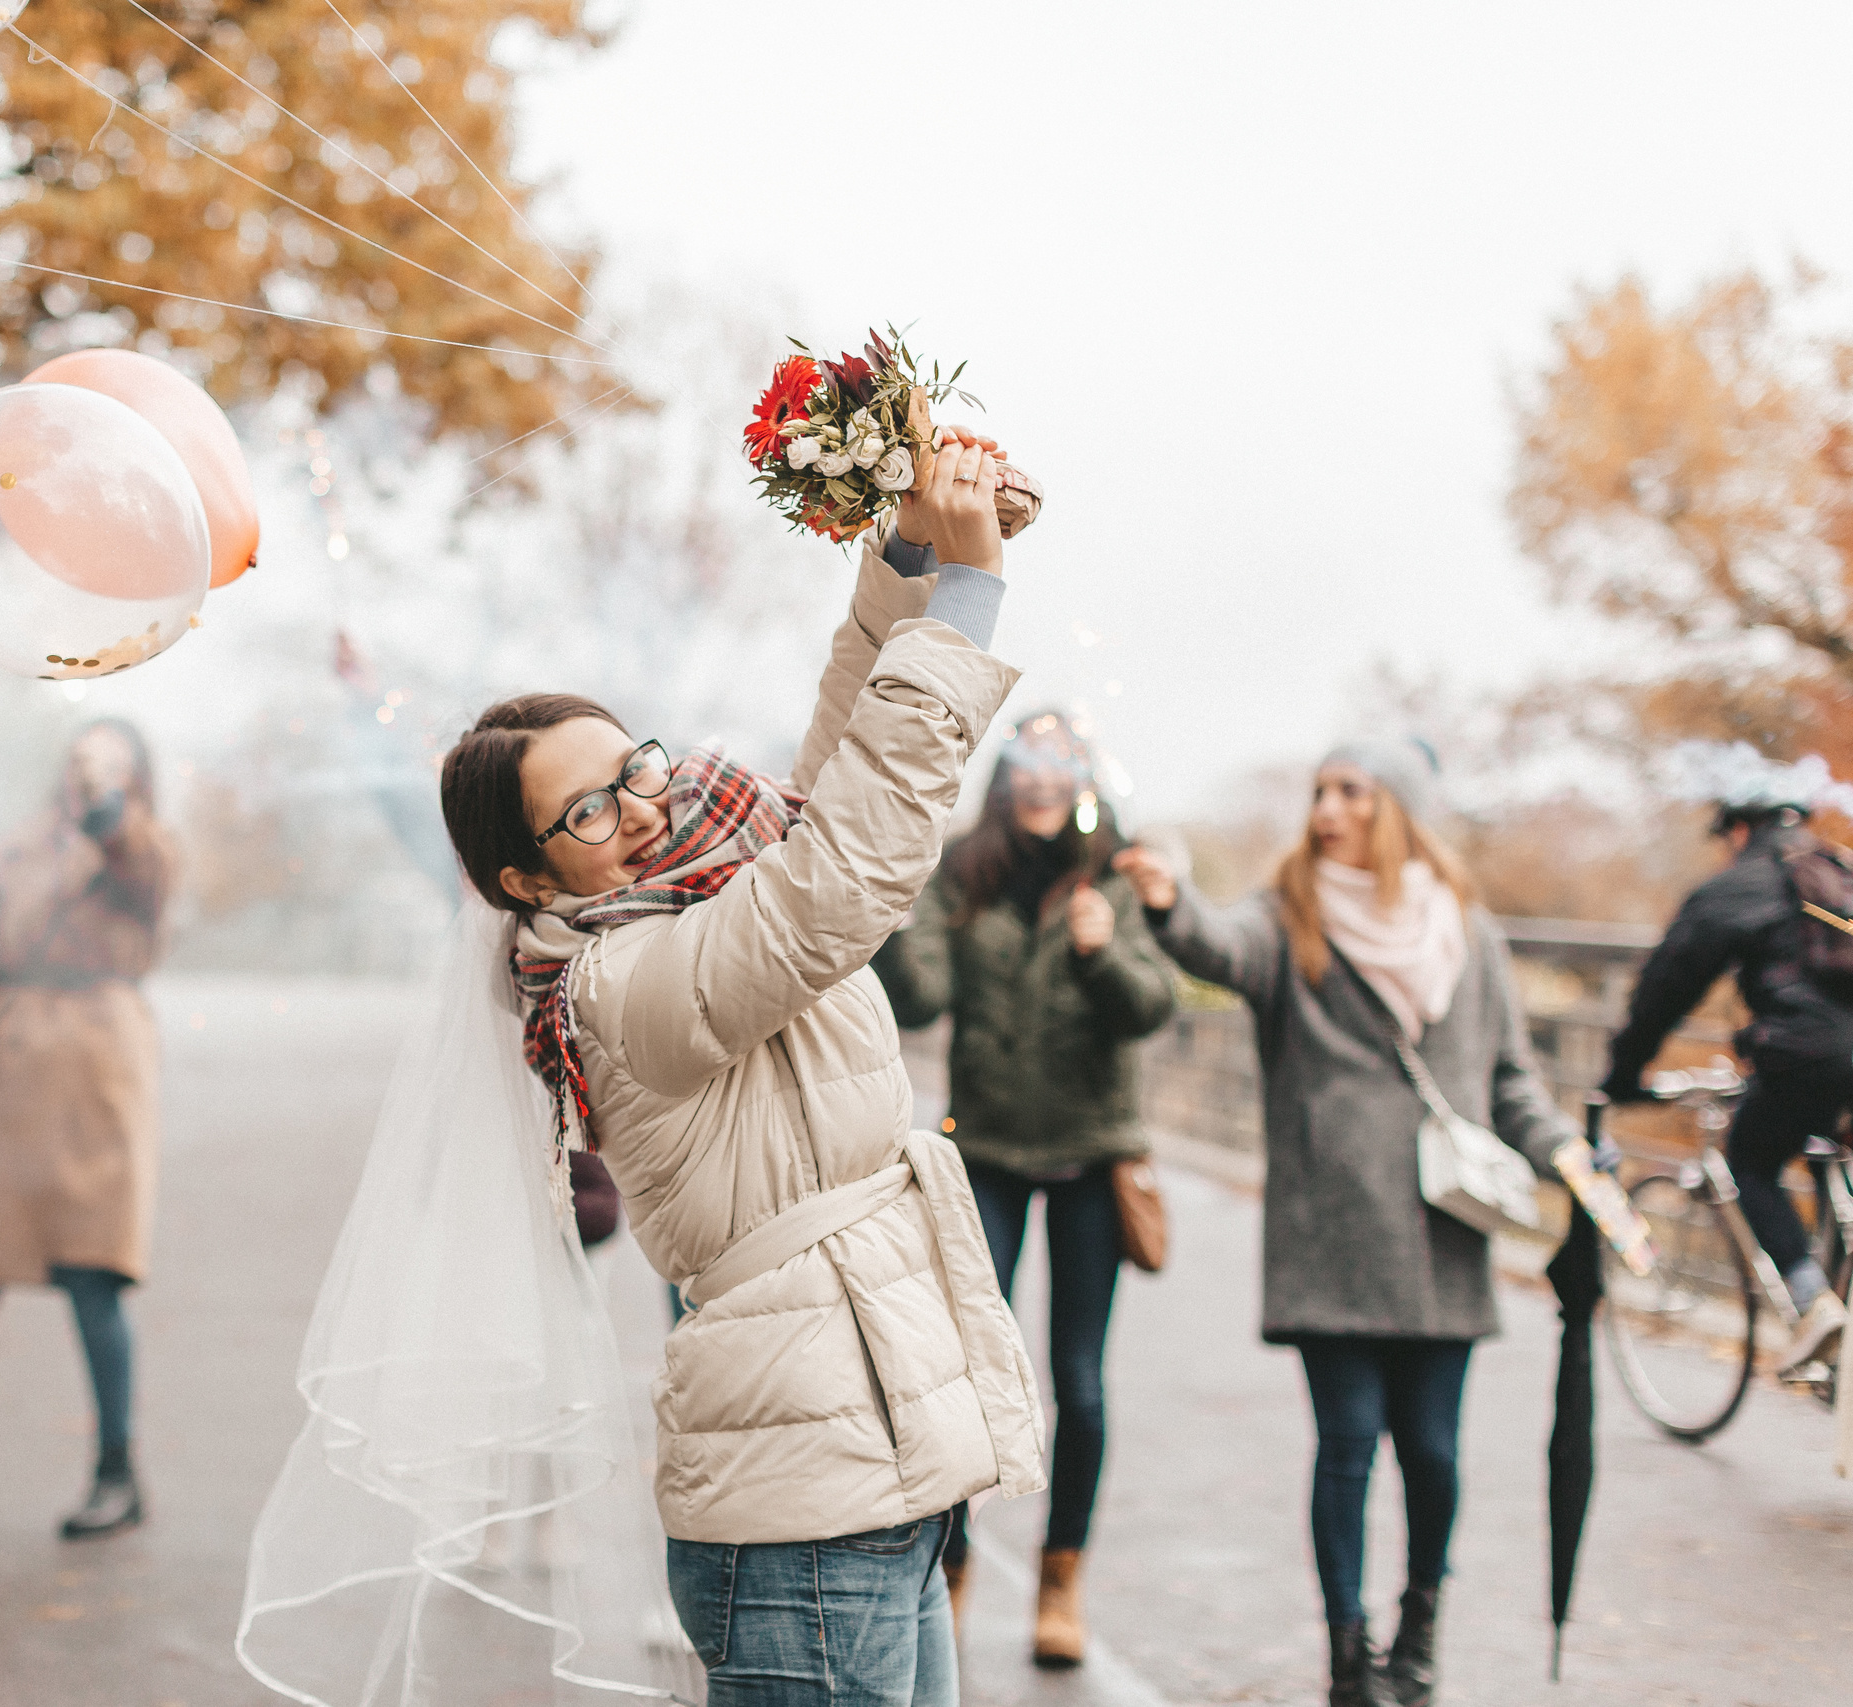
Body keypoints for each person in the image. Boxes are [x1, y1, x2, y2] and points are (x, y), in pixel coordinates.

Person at [421, 431, 1045, 1705]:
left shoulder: (684, 900)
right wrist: (969, 606)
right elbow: (846, 875)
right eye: (585, 811)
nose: (640, 808)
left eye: (627, 768)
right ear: (524, 881)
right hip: (803, 1515)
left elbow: (835, 773)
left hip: (866, 1468)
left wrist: (912, 553)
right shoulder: (613, 986)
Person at [1114, 742, 1576, 1707]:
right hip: (1329, 1230)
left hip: (1441, 1234)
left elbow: (1508, 1079)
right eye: (1321, 791)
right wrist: (1166, 898)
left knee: (1435, 1451)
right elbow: (1216, 944)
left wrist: (1563, 1150)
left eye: (1350, 792)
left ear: (1397, 809)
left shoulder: (1468, 931)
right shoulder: (1291, 918)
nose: (1327, 808)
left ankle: (1419, 1629)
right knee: (1350, 1442)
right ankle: (1347, 1654)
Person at [871, 712, 1175, 1668]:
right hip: (988, 1150)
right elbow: (918, 999)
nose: (1044, 775)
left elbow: (1151, 1006)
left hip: (1093, 1151)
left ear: (1082, 777)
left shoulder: (1120, 872)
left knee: (1077, 1384)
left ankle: (1061, 1576)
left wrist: (1103, 949)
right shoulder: (965, 871)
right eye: (1028, 758)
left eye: (1062, 759)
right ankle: (949, 1580)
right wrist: (886, 903)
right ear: (1006, 776)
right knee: (967, 1374)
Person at [0, 720, 174, 1545]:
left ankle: (118, 1474)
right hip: (11, 1074)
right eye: (85, 758)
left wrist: (107, 804)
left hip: (99, 1071)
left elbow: (142, 872)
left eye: (115, 762)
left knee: (96, 1280)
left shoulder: (145, 845)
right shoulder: (17, 848)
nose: (93, 772)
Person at [1599, 779, 1852, 1372]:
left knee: (1752, 1157)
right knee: (1823, 1148)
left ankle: (1816, 1305)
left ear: (1741, 828)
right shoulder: (1839, 869)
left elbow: (1669, 983)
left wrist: (1626, 1073)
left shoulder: (1742, 885)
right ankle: (1836, 1324)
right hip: (1835, 1064)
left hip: (1809, 1055)